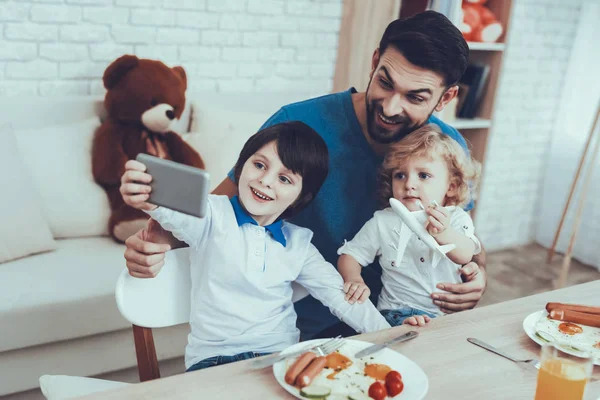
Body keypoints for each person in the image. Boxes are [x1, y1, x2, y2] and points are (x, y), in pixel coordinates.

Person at [123, 10, 488, 340]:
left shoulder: (447, 148)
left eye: (415, 97)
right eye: (385, 82)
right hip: (300, 328)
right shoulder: (297, 124)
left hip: (413, 327)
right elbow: (221, 206)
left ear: (445, 98)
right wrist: (158, 242)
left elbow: (468, 240)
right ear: (375, 62)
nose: (391, 107)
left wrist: (477, 276)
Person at [120, 121, 391, 371]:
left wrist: (391, 334)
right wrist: (146, 196)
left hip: (280, 358)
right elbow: (172, 212)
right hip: (212, 362)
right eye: (259, 165)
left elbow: (341, 298)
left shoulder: (300, 244)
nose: (265, 180)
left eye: (285, 179)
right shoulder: (212, 213)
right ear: (241, 165)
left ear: (301, 197)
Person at [337, 124, 482, 327]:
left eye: (423, 175)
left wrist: (444, 232)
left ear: (451, 187)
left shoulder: (456, 217)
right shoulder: (383, 221)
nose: (409, 184)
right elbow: (349, 256)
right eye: (400, 175)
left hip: (446, 314)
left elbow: (466, 254)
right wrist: (354, 279)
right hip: (395, 312)